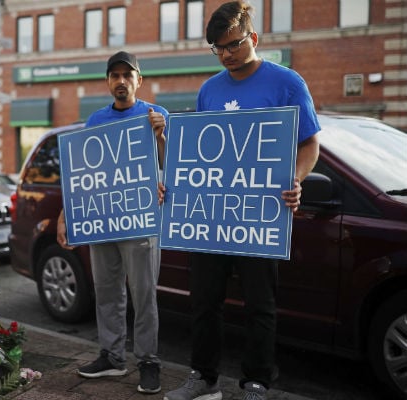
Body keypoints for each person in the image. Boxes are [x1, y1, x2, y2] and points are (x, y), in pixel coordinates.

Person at [163, 2, 320, 400]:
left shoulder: (287, 82)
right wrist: (174, 185)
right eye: (218, 48)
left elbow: (310, 144)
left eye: (233, 44)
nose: (227, 53)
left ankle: (256, 381)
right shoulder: (209, 89)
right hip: (211, 218)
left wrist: (297, 179)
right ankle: (203, 376)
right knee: (204, 301)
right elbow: (198, 155)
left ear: (252, 38)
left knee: (259, 305)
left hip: (260, 215)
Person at [56, 51, 168, 394]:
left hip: (141, 220)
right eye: (114, 75)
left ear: (139, 81)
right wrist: (66, 214)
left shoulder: (156, 115)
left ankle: (148, 360)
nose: (121, 81)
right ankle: (112, 357)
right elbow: (82, 176)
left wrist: (161, 137)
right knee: (107, 290)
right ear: (108, 82)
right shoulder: (95, 121)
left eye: (127, 75)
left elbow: (173, 165)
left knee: (144, 293)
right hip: (102, 220)